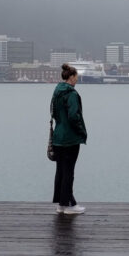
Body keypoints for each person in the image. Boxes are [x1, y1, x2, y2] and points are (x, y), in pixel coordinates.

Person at [51, 63, 87, 215]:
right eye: (76, 77)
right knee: (69, 172)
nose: (77, 80)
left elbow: (53, 112)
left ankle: (61, 204)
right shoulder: (71, 93)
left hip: (58, 136)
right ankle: (68, 205)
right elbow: (74, 116)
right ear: (71, 77)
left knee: (60, 170)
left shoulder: (56, 91)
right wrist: (81, 130)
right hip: (70, 138)